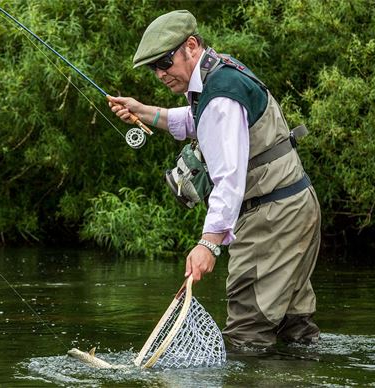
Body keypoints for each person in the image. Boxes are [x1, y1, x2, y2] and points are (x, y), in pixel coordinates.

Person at [109, 10, 321, 349]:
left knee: (246, 335)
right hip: (294, 206)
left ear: (191, 46)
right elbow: (200, 120)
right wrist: (145, 111)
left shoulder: (220, 92)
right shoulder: (219, 71)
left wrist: (208, 244)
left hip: (271, 217)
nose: (161, 74)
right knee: (293, 330)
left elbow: (228, 180)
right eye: (154, 68)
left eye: (165, 62)